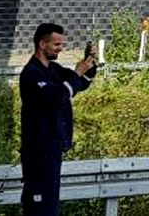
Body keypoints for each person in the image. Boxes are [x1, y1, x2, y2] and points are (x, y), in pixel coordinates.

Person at [19, 22, 97, 214]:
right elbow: (57, 98)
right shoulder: (31, 74)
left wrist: (88, 63)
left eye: (61, 45)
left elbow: (77, 85)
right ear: (42, 44)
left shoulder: (53, 69)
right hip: (38, 151)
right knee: (40, 206)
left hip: (53, 148)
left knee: (51, 204)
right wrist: (77, 72)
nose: (60, 49)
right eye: (56, 45)